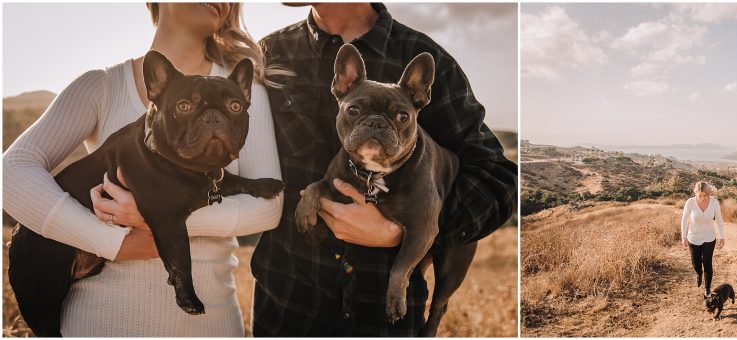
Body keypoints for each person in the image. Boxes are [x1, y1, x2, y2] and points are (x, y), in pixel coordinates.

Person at [1, 3, 281, 336]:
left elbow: (268, 207)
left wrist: (154, 217)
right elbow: (12, 172)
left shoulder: (243, 92)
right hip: (98, 324)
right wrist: (111, 242)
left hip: (211, 325)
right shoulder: (103, 86)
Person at [251, 3, 517, 336]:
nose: (374, 126)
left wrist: (411, 230)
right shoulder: (268, 55)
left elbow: (500, 180)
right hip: (287, 307)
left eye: (398, 118)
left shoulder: (424, 56)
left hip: (384, 319)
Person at [680, 181, 725, 297]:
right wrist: (683, 236)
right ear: (695, 194)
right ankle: (699, 273)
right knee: (696, 263)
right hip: (693, 237)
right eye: (699, 196)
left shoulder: (714, 202)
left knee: (708, 263)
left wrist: (722, 236)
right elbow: (684, 220)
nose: (702, 198)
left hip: (709, 237)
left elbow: (719, 220)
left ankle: (707, 288)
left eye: (705, 195)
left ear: (708, 193)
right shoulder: (690, 202)